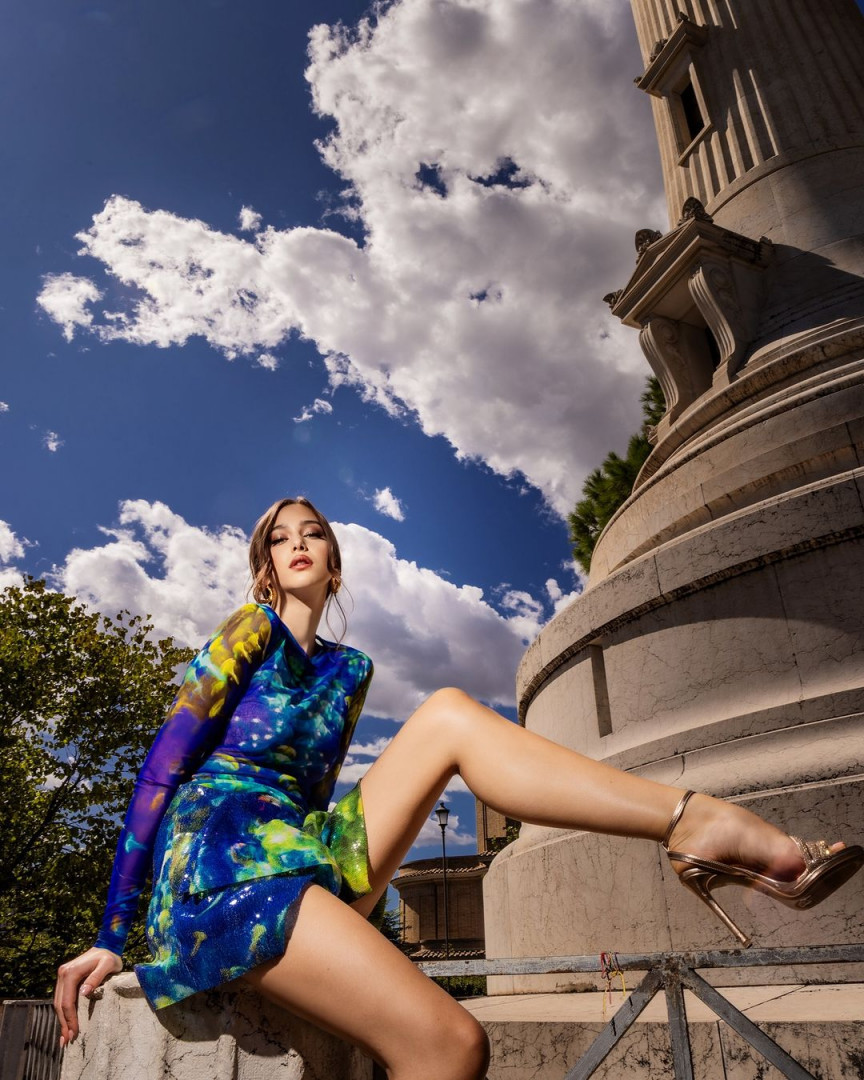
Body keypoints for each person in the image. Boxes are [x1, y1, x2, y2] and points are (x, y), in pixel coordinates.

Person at [54, 496, 863, 1080]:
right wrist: (111, 932)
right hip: (221, 858)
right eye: (280, 538)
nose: (298, 543)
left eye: (314, 534)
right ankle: (709, 826)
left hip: (296, 847)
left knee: (446, 713)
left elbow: (315, 797)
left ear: (334, 564)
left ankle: (693, 820)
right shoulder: (249, 628)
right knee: (452, 1044)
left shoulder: (350, 670)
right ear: (265, 566)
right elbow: (162, 769)